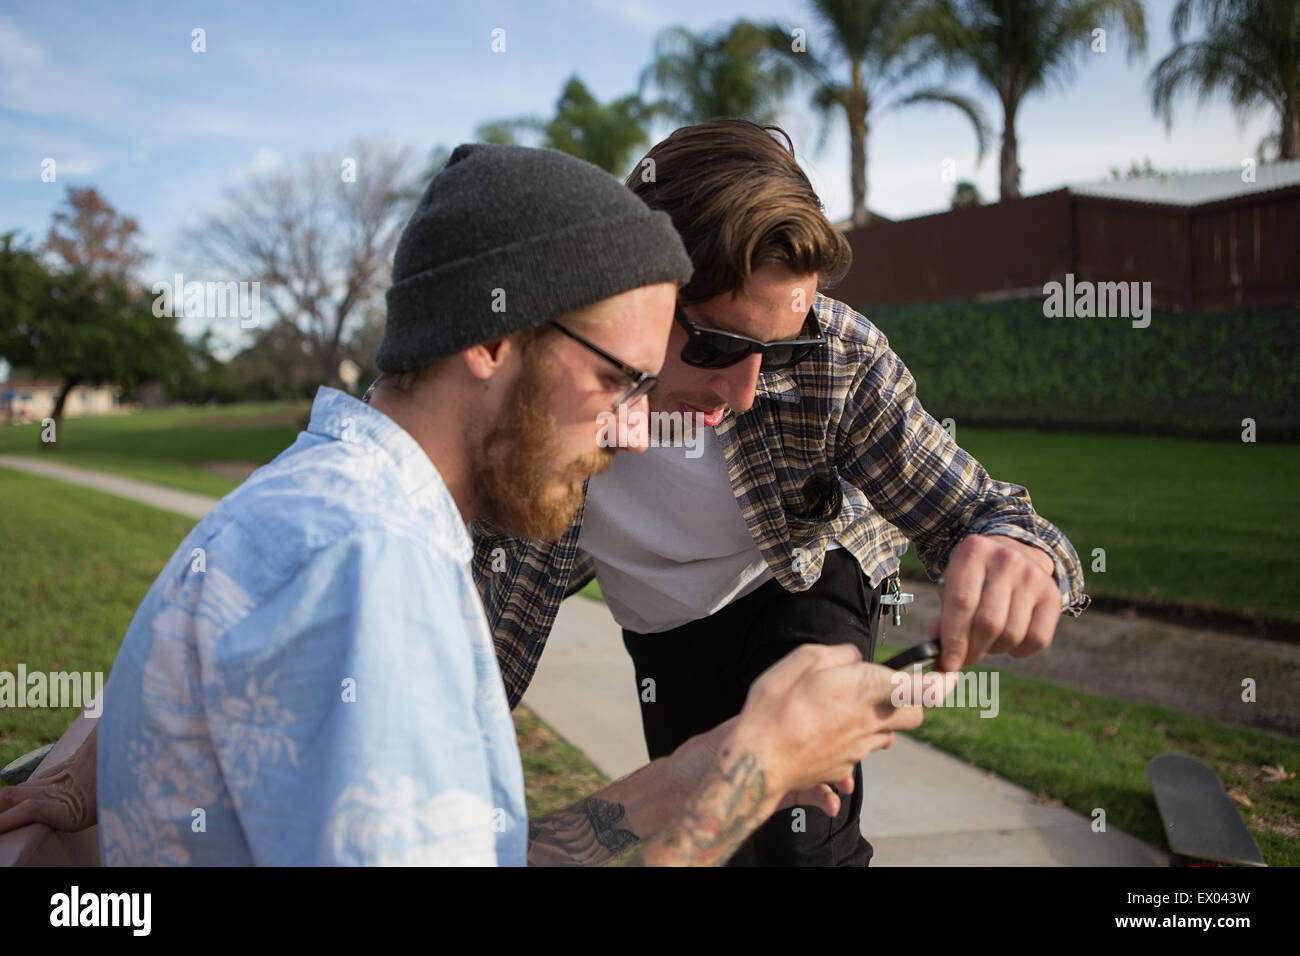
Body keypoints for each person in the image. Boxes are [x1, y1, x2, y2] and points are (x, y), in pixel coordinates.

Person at [0, 143, 945, 866]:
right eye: (620, 381)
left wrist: (735, 756)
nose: (632, 434)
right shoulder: (373, 566)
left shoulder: (326, 498)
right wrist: (752, 767)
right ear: (492, 338)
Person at [472, 120, 1091, 867]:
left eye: (780, 351)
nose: (743, 392)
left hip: (800, 575)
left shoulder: (837, 354)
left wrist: (1020, 553)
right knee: (711, 826)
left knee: (801, 839)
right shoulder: (551, 394)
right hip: (665, 624)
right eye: (717, 347)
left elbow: (981, 511)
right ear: (635, 288)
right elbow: (474, 636)